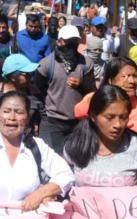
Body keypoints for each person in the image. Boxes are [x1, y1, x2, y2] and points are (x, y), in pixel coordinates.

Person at [64, 85, 137, 218]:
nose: (118, 124)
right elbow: (62, 182)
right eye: (110, 117)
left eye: (123, 117)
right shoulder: (74, 146)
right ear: (93, 116)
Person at [35, 25, 96, 154]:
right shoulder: (46, 64)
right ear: (59, 42)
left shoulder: (86, 63)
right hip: (54, 121)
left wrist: (81, 84)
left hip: (78, 122)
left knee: (75, 156)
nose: (72, 46)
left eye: (75, 42)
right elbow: (38, 90)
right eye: (69, 42)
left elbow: (92, 93)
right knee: (58, 158)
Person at [74, 57, 137, 134]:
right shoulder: (93, 99)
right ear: (110, 80)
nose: (132, 81)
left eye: (134, 76)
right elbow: (78, 116)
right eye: (125, 76)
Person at [0, 54, 41, 133]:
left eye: (31, 73)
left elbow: (42, 114)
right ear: (12, 77)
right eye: (26, 74)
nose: (30, 77)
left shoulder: (33, 92)